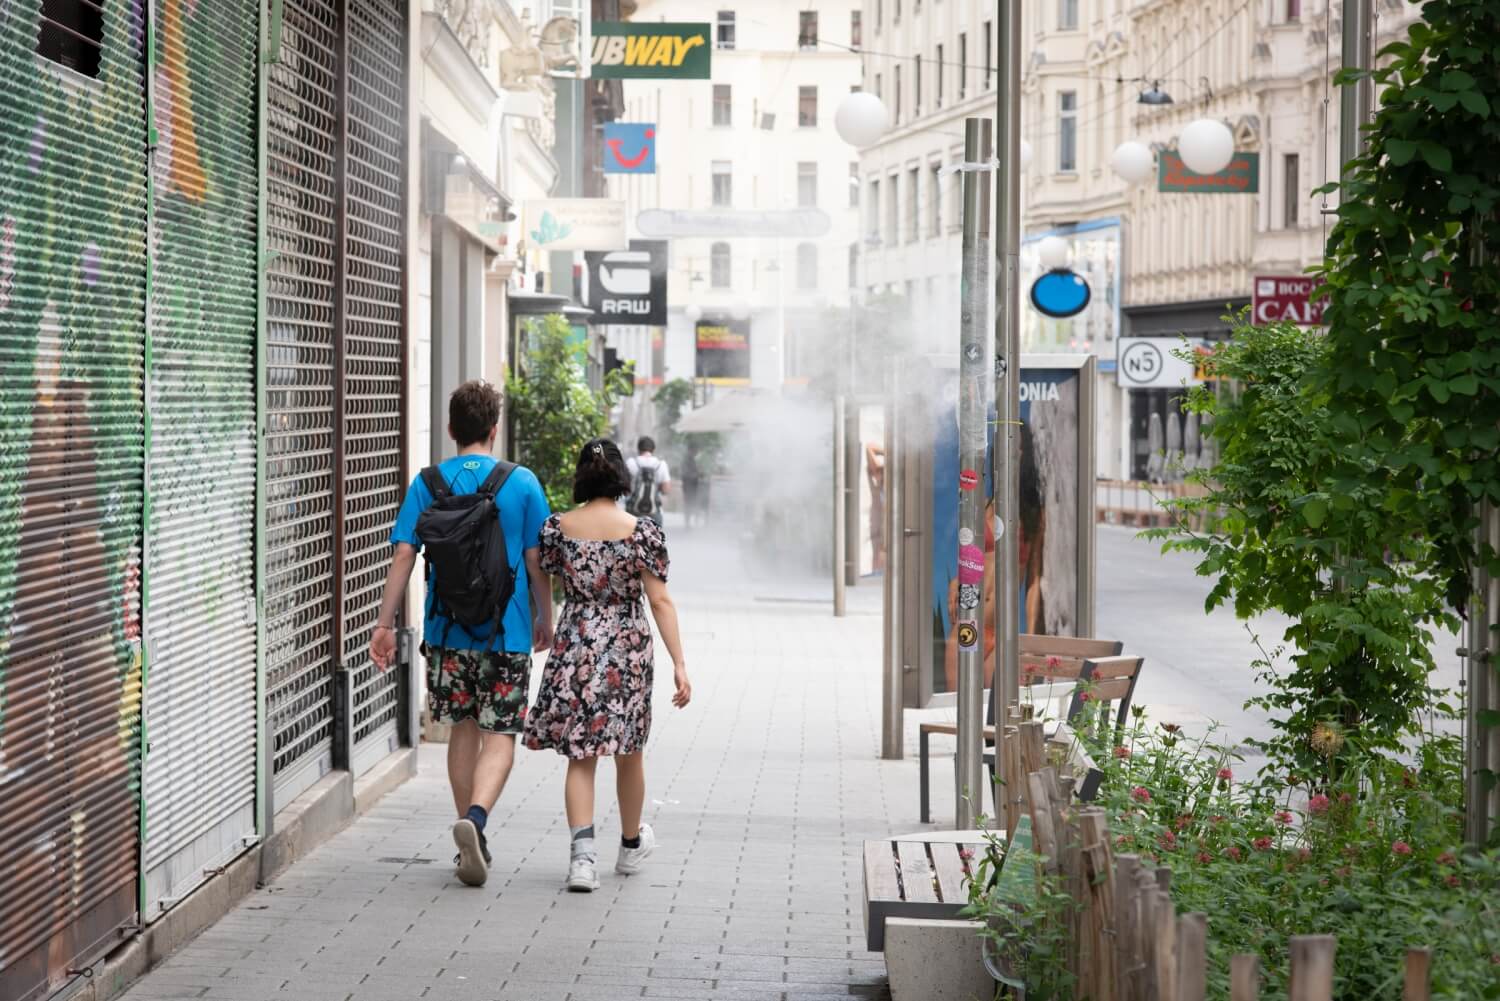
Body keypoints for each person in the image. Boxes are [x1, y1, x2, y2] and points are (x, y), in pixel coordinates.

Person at [369, 380, 553, 889]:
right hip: (506, 633)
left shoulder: (428, 482)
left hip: (447, 633)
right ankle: (475, 820)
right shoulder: (523, 483)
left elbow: (404, 554)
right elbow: (538, 561)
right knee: (500, 734)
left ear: (451, 429)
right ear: (494, 429)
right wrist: (546, 618)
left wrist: (385, 625)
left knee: (462, 730)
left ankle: (468, 833)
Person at [523, 438, 692, 893]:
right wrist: (679, 662)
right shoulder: (642, 531)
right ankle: (631, 845)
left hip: (576, 641)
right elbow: (660, 600)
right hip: (626, 649)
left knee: (581, 756)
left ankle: (583, 860)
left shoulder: (558, 528)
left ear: (582, 475)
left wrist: (545, 619)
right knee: (628, 750)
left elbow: (538, 567)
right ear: (622, 477)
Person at [625, 435, 671, 525]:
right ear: (653, 449)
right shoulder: (661, 465)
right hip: (654, 512)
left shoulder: (631, 463)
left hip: (633, 512)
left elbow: (624, 488)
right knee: (656, 537)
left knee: (630, 537)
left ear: (638, 449)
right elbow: (666, 490)